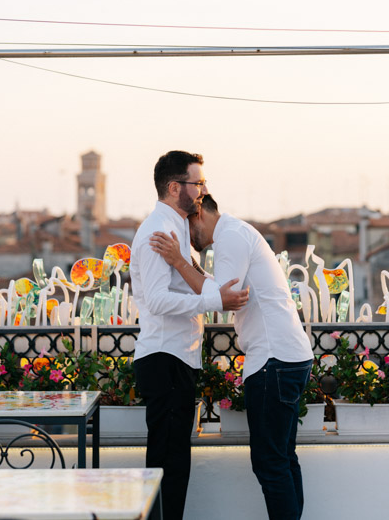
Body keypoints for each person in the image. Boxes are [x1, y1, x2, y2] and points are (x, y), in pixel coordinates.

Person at [150, 194, 314, 520]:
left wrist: (179, 261)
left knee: (270, 463)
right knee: (282, 459)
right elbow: (220, 287)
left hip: (273, 360)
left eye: (186, 228)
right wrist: (189, 262)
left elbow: (223, 298)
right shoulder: (237, 233)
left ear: (198, 214)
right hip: (287, 356)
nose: (188, 239)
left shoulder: (230, 238)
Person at [129, 151, 249, 520]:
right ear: (173, 187)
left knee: (175, 462)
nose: (203, 190)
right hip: (164, 358)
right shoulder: (156, 231)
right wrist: (214, 300)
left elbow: (191, 282)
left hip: (178, 358)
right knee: (167, 463)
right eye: (197, 183)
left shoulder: (178, 228)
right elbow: (156, 300)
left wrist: (213, 292)